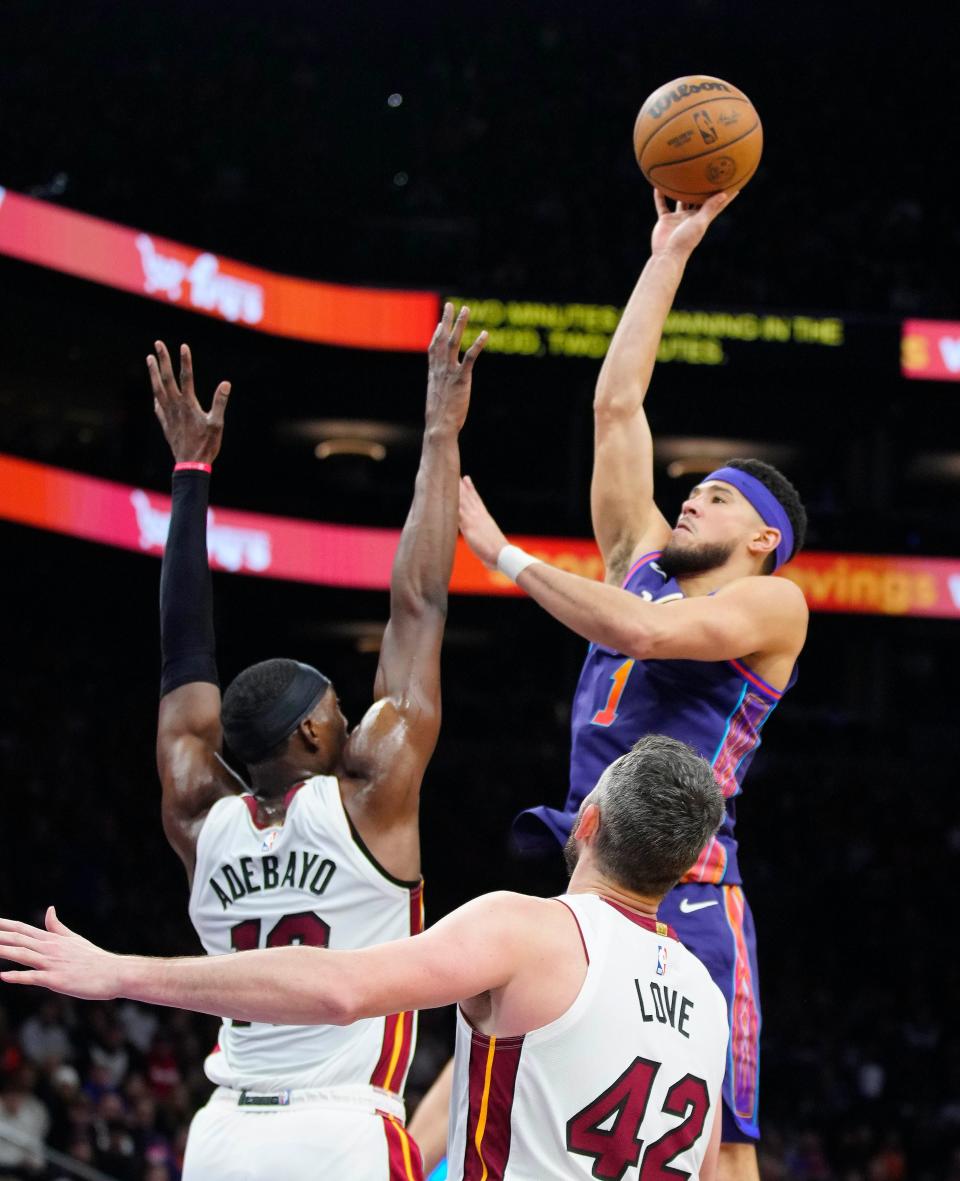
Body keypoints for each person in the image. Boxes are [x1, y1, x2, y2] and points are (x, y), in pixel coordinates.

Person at [455, 190, 809, 1181]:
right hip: (592, 865)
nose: (693, 488)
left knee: (723, 1148)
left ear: (760, 538)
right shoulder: (641, 552)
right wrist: (670, 252)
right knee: (487, 1059)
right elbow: (618, 404)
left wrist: (507, 557)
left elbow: (644, 633)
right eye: (694, 482)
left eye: (721, 492)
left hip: (691, 891)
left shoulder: (776, 607)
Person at [0, 735, 730, 1181]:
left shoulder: (527, 930)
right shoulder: (706, 996)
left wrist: (123, 971)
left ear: (590, 823)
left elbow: (338, 989)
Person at [141, 303, 485, 1180]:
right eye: (335, 703)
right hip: (340, 1130)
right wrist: (441, 433)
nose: (348, 711)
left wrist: (189, 472)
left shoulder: (195, 810)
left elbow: (184, 653)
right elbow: (419, 605)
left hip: (222, 1134)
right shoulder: (371, 793)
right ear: (309, 731)